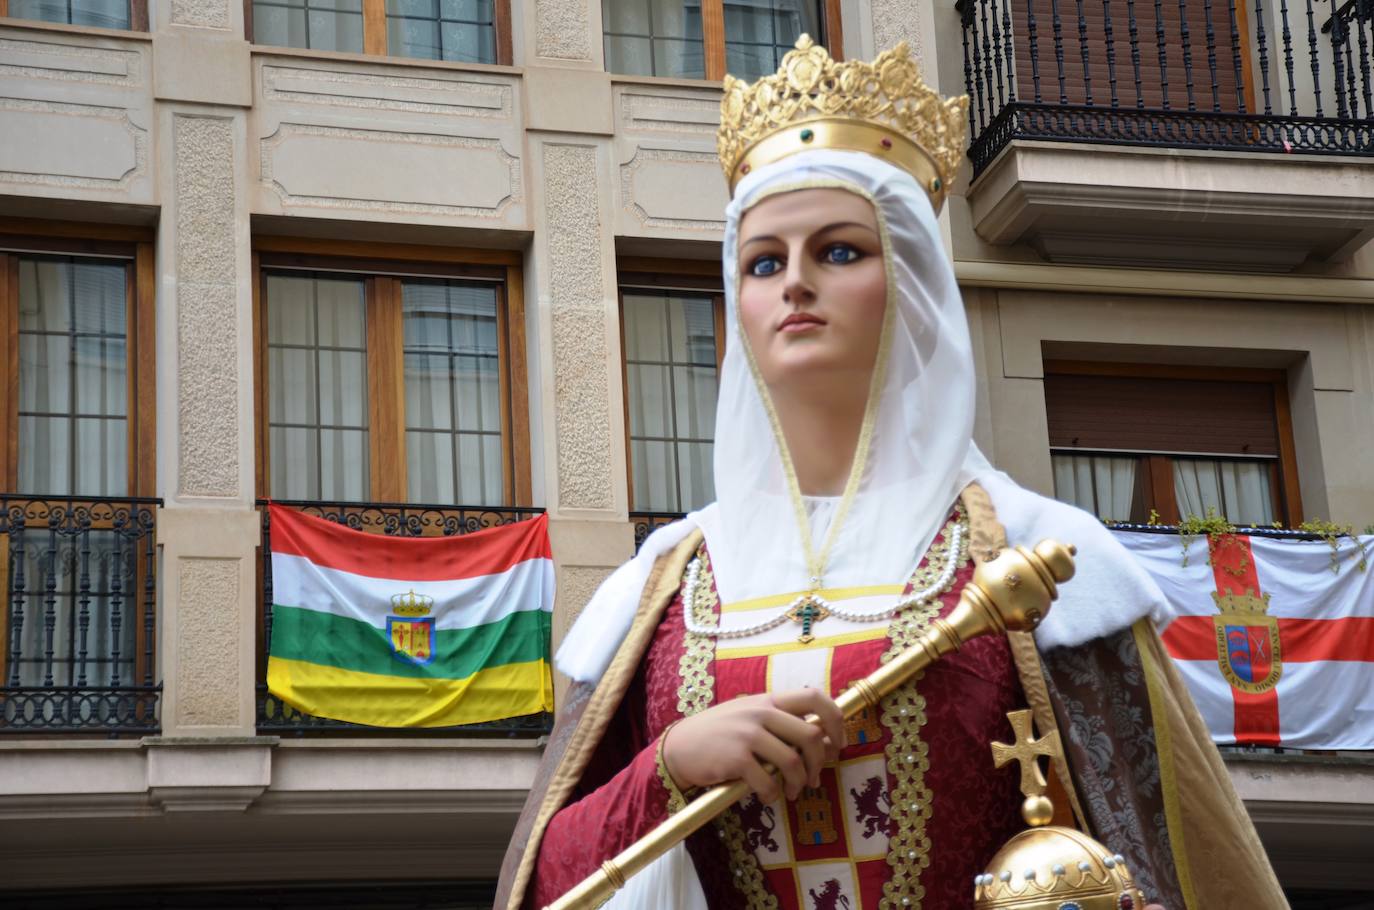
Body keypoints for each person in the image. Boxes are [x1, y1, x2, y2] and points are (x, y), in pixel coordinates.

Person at [495, 37, 1288, 910]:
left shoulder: (1044, 559)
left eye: (838, 251)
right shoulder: (664, 585)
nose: (794, 283)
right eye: (763, 263)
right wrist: (670, 766)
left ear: (910, 281)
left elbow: (1171, 856)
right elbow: (546, 882)